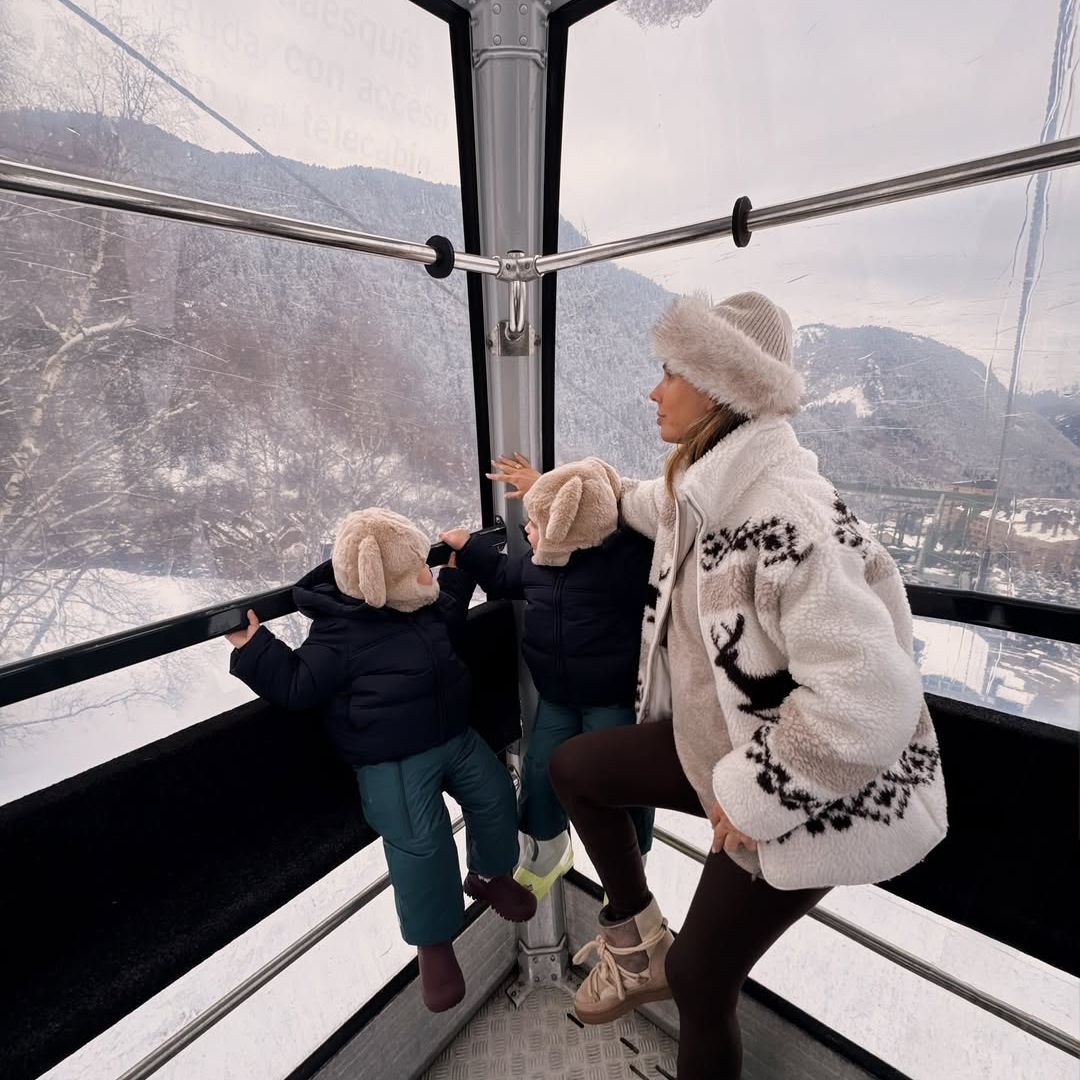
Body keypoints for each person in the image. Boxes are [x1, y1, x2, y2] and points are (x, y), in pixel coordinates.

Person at [495, 293, 948, 1080]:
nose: (654, 390)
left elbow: (871, 697)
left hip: (820, 792)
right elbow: (642, 502)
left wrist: (750, 795)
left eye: (671, 372)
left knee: (704, 981)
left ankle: (673, 976)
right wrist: (572, 485)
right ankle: (636, 946)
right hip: (731, 748)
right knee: (576, 769)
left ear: (720, 384)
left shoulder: (782, 518)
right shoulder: (703, 490)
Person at [226, 508, 536, 1013]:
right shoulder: (340, 635)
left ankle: (490, 874)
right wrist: (256, 648)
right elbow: (299, 683)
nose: (425, 577)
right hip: (390, 759)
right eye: (415, 570)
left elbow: (449, 615)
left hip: (453, 735)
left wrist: (456, 578)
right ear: (378, 582)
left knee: (496, 794)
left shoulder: (419, 605)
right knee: (422, 843)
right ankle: (434, 943)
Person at [439, 458, 654, 900]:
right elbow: (500, 578)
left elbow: (631, 522)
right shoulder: (537, 567)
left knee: (619, 780)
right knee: (539, 770)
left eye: (537, 522)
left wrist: (556, 490)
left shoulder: (618, 567)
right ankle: (546, 845)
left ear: (565, 528)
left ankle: (632, 862)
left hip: (609, 699)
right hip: (556, 697)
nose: (527, 532)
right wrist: (470, 547)